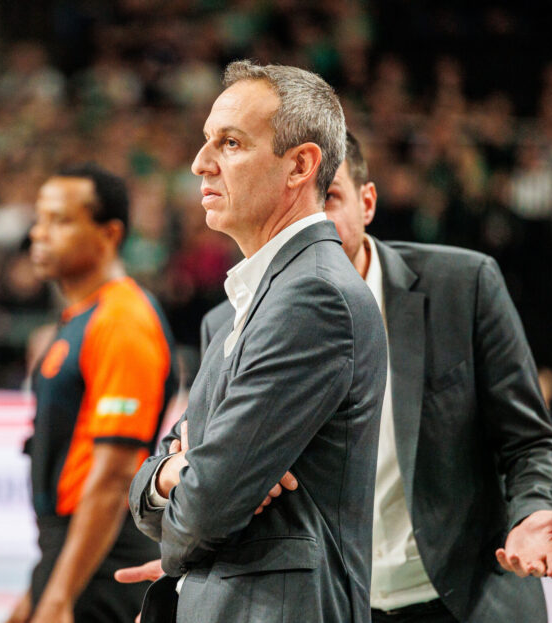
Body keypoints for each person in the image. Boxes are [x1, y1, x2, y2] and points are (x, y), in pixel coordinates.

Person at [119, 132, 552, 622]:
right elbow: (198, 468)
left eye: (329, 197)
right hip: (341, 606)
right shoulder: (227, 320)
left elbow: (530, 440)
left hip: (468, 599)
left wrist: (533, 512)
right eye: (298, 201)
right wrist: (200, 571)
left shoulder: (463, 286)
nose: (312, 218)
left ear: (367, 203)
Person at [127, 62, 387, 623]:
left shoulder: (312, 297)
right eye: (207, 140)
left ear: (300, 165)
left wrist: (194, 481)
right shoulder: (252, 298)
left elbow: (202, 515)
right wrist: (174, 473)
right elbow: (175, 479)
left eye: (231, 143)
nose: (200, 163)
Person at [6, 164, 178, 623]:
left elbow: (114, 477)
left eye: (60, 220)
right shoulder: (84, 316)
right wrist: (41, 587)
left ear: (109, 234)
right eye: (39, 218)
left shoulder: (122, 322)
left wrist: (60, 594)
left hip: (104, 561)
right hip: (72, 550)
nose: (39, 233)